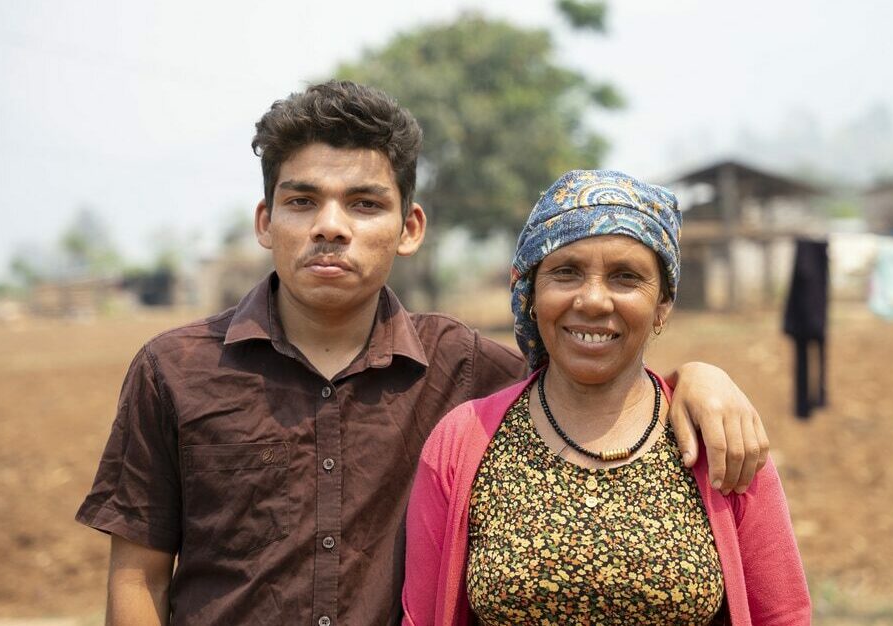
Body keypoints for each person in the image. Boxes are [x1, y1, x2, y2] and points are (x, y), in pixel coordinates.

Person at [76, 80, 772, 625]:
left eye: (364, 204)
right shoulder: (175, 369)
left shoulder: (468, 371)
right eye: (302, 201)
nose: (330, 227)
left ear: (410, 227)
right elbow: (138, 578)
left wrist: (695, 379)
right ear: (266, 221)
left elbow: (596, 378)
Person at [402, 170, 810, 625]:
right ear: (531, 293)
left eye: (625, 277)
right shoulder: (462, 442)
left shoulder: (719, 437)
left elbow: (782, 615)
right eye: (566, 272)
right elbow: (422, 617)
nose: (594, 300)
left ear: (662, 305)